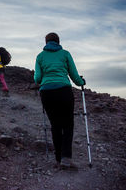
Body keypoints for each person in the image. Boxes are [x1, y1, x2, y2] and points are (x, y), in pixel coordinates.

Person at [34, 32, 85, 169]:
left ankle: (58, 159)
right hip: (64, 91)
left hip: (47, 92)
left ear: (46, 42)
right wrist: (81, 82)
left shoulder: (40, 56)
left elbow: (37, 78)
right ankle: (66, 159)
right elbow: (74, 74)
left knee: (55, 125)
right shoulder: (65, 54)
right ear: (58, 41)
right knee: (68, 124)